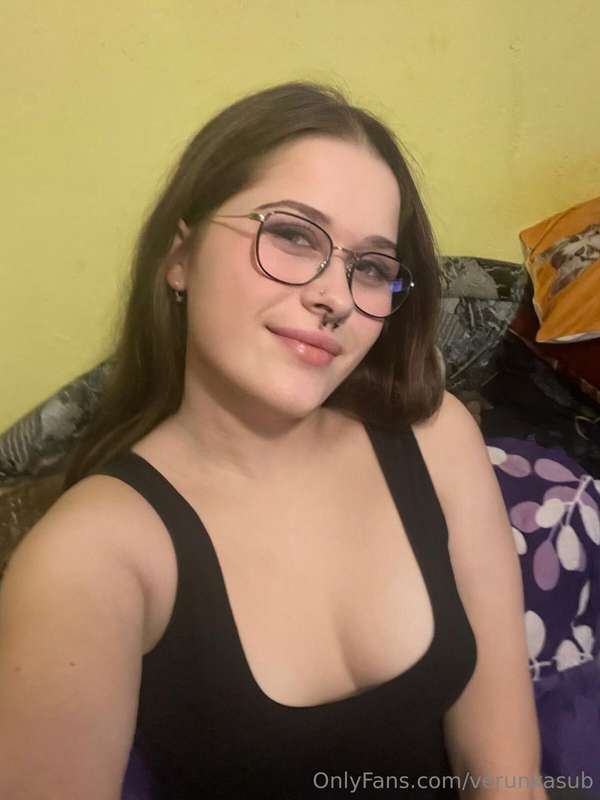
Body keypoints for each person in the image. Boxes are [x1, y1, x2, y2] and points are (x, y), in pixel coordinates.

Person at [0, 81, 546, 799]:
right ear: (180, 258)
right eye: (292, 235)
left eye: (371, 268)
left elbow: (508, 779)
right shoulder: (91, 557)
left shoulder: (436, 439)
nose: (335, 297)